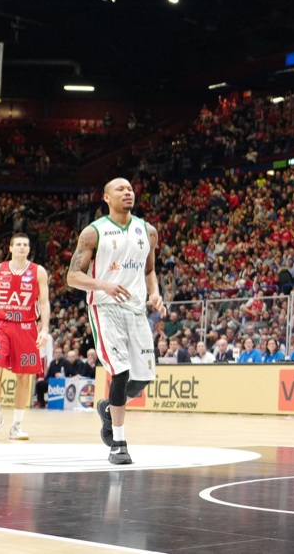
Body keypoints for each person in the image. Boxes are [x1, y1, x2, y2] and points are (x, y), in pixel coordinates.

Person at [67, 178, 164, 465]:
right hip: (105, 308)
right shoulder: (93, 232)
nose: (127, 193)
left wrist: (155, 294)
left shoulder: (148, 231)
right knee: (120, 372)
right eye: (120, 190)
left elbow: (150, 271)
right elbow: (72, 277)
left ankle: (108, 408)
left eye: (130, 189)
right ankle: (118, 443)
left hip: (136, 309)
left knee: (143, 377)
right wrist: (103, 285)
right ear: (106, 197)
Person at [0, 233, 50, 440]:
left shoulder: (38, 271)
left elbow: (44, 303)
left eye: (26, 245)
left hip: (26, 326)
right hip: (0, 324)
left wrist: (44, 329)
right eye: (18, 244)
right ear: (10, 247)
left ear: (29, 249)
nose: (22, 248)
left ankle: (17, 425)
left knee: (24, 376)